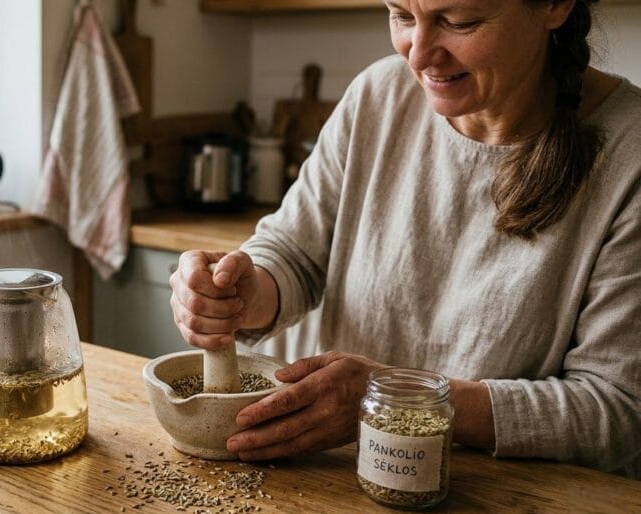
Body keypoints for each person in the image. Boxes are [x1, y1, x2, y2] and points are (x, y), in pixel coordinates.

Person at [168, 0, 640, 478]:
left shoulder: (631, 152)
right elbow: (293, 253)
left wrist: (394, 400)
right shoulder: (378, 94)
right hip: (340, 481)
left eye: (458, 22)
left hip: (511, 502)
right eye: (402, 16)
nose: (418, 55)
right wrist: (245, 292)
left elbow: (619, 411)